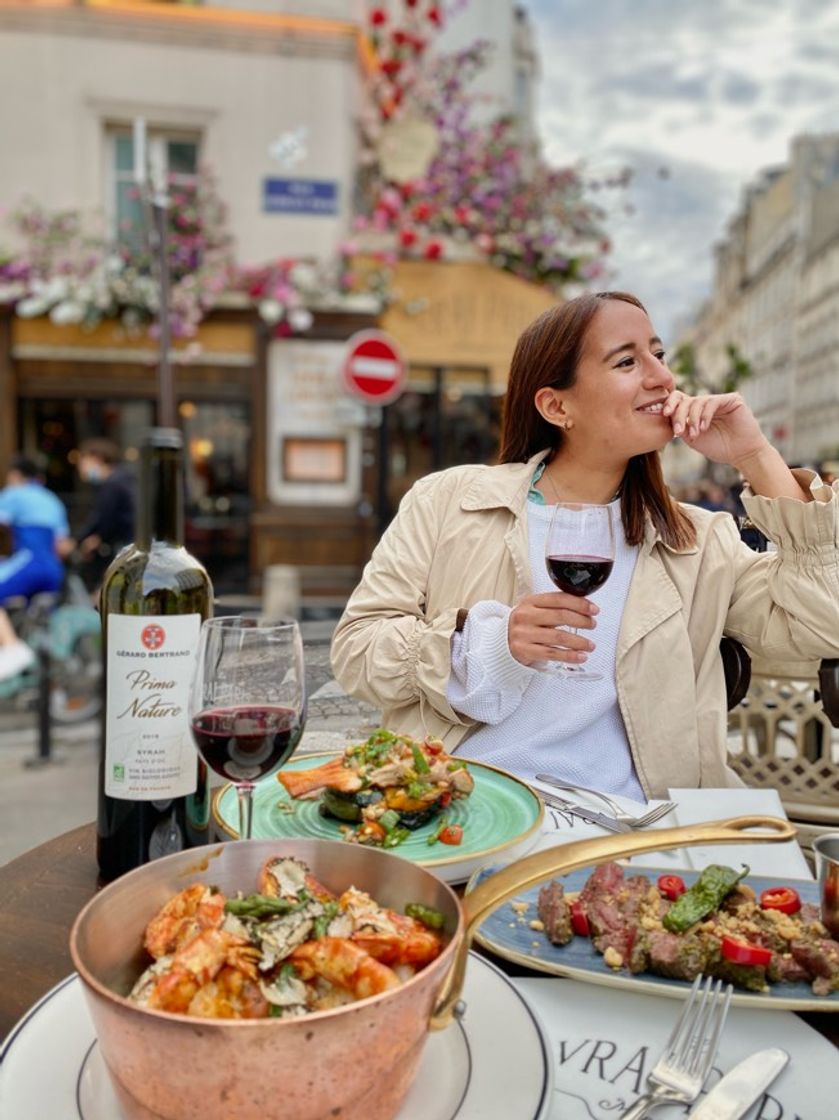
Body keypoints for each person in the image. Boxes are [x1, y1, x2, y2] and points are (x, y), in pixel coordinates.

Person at [330, 291, 839, 799]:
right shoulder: (448, 503)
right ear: (557, 405)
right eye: (626, 361)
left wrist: (753, 454)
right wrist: (483, 646)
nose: (662, 377)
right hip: (465, 811)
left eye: (658, 355)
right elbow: (357, 650)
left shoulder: (698, 541)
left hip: (630, 828)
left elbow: (825, 622)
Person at [0, 454, 71, 679]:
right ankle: (51, 688)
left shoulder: (13, 494)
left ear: (16, 475)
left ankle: (11, 646)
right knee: (43, 626)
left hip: (29, 563)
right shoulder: (52, 499)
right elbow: (63, 545)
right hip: (53, 569)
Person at [70, 438, 136, 590]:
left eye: (83, 461)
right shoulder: (122, 480)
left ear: (97, 458)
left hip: (124, 548)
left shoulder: (112, 484)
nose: (81, 468)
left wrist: (84, 540)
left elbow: (103, 519)